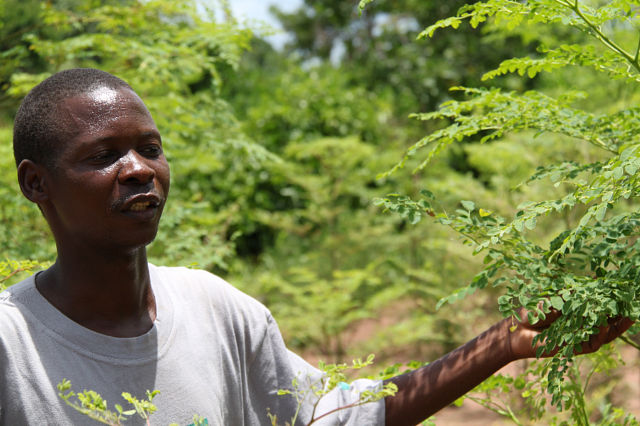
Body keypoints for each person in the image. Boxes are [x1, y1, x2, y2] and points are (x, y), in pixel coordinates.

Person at [2, 68, 631, 425]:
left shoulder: (216, 309)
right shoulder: (12, 347)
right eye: (104, 156)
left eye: (151, 148)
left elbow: (337, 416)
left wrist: (506, 342)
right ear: (37, 183)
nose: (140, 169)